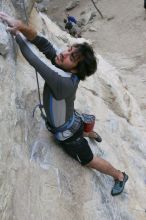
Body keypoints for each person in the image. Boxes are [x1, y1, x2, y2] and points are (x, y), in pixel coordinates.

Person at [0, 12, 128, 196]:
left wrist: (17, 35)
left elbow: (35, 61)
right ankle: (88, 131)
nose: (63, 53)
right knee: (73, 121)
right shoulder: (65, 67)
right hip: (70, 119)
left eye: (71, 57)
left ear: (76, 69)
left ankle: (119, 175)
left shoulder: (62, 82)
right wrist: (20, 25)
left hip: (68, 135)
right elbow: (44, 44)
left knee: (89, 160)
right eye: (68, 49)